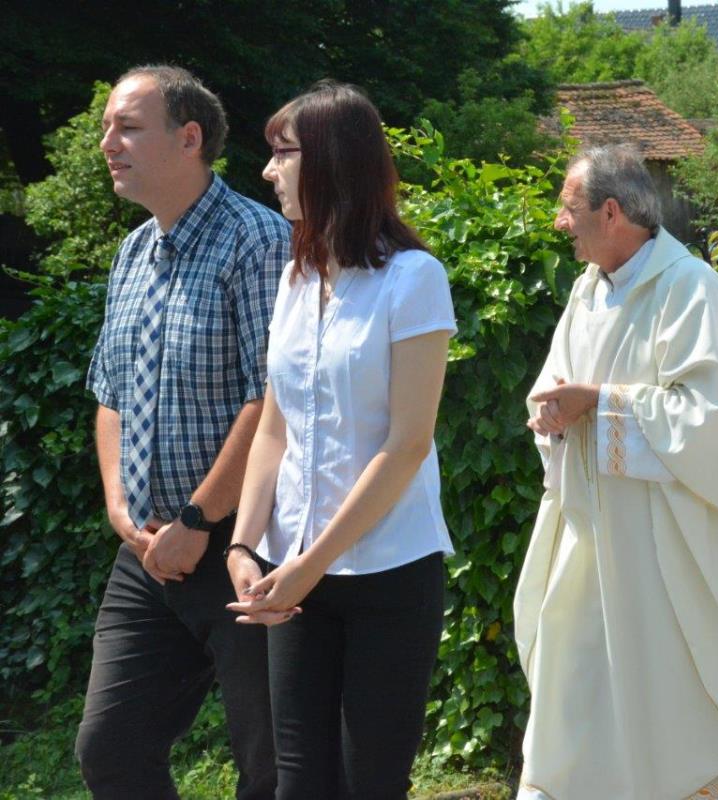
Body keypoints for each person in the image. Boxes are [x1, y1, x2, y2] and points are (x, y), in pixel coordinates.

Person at [516, 144, 718, 799]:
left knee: (669, 705)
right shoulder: (587, 291)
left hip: (668, 548)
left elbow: (707, 420)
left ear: (611, 213)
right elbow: (557, 383)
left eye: (569, 207)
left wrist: (598, 402)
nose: (559, 221)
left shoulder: (689, 287)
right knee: (576, 696)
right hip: (589, 537)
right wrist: (550, 412)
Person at [223, 81, 455, 800]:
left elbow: (408, 443)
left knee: (370, 784)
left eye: (284, 153)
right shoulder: (296, 280)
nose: (269, 170)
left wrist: (309, 565)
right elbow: (276, 425)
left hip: (388, 573)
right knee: (298, 782)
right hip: (292, 573)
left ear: (332, 161)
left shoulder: (414, 279)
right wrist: (243, 545)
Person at [76, 65, 288, 799]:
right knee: (111, 751)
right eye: (108, 128)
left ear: (189, 138)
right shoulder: (132, 253)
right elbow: (110, 393)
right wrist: (119, 510)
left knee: (270, 768)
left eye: (128, 127)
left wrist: (200, 520)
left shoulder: (258, 241)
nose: (108, 143)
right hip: (148, 553)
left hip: (244, 548)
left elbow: (273, 398)